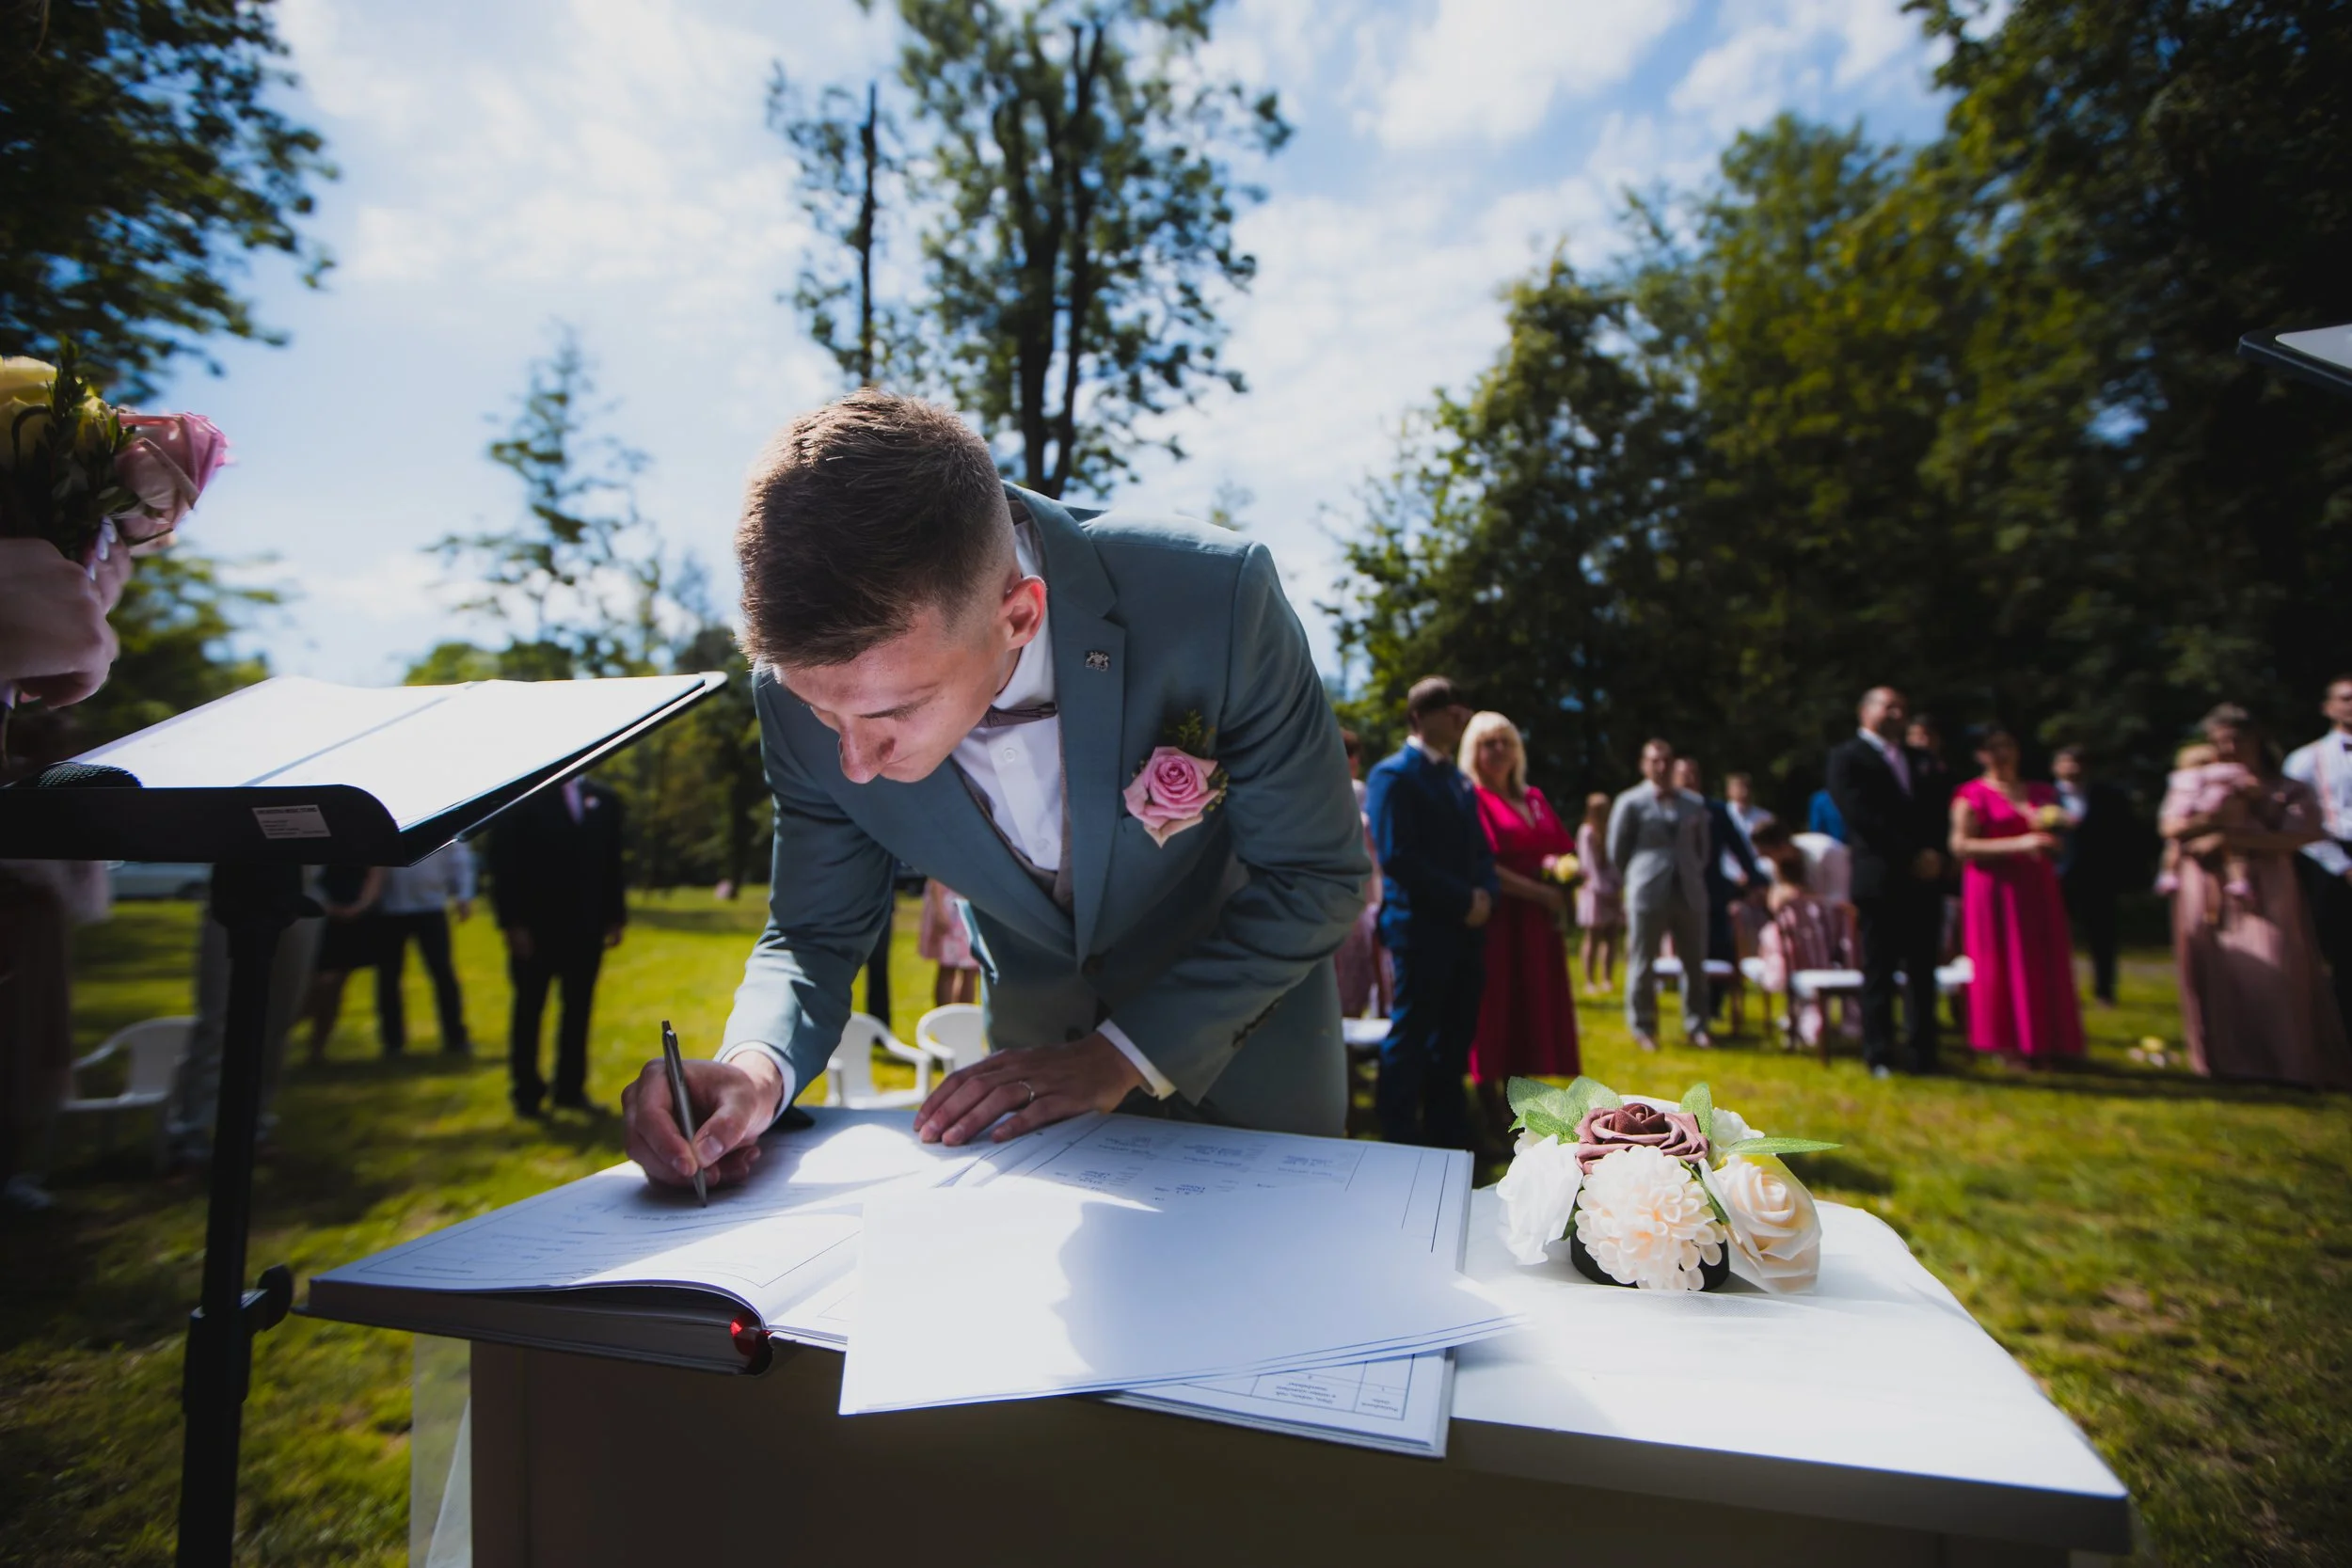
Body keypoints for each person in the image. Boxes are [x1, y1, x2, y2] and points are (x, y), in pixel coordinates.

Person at [618, 391, 1366, 1189]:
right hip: (1031, 1120)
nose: (856, 764)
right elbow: (814, 933)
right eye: (818, 709)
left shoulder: (1214, 602)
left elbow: (1316, 877)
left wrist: (1116, 1056)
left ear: (1019, 615)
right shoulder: (791, 698)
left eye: (893, 710)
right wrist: (755, 1067)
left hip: (1253, 1092)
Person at [2162, 704, 2351, 1088]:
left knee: (2274, 964)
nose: (2228, 747)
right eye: (2219, 740)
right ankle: (2226, 1062)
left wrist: (2233, 837)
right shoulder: (2197, 782)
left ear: (2257, 739)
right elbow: (2172, 825)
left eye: (2236, 738)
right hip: (2205, 884)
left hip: (2269, 884)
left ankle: (2288, 1063)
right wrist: (2211, 821)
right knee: (2217, 970)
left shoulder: (2285, 786)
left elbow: (2301, 835)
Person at [1365, 679, 1496, 1149]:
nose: (1462, 719)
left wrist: (1486, 894)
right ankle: (1399, 1133)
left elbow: (1480, 851)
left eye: (1464, 710)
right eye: (1451, 710)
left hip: (1466, 931)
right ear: (1419, 716)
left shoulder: (1460, 780)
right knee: (1414, 1031)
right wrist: (1464, 901)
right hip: (1420, 926)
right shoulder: (1393, 775)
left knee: (1456, 1035)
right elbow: (1398, 855)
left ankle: (1449, 1133)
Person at [1458, 711, 1579, 1149]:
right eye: (1488, 743)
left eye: (1505, 742)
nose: (1498, 751)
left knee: (1530, 1008)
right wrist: (1538, 891)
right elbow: (1484, 862)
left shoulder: (1534, 798)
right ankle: (1488, 1103)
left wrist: (1559, 875)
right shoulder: (1473, 798)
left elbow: (1559, 848)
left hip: (1536, 927)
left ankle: (1520, 1103)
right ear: (1473, 751)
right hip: (1498, 921)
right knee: (1496, 1008)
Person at [1826, 687, 1949, 1077]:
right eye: (1889, 705)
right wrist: (1912, 853)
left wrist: (1935, 854)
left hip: (1925, 879)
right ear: (1865, 712)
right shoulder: (1848, 758)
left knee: (1923, 970)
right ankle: (1880, 1052)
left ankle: (1924, 1052)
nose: (1898, 712)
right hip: (1881, 877)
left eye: (1903, 707)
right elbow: (1862, 815)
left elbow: (1939, 811)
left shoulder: (1922, 760)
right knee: (1879, 969)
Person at [490, 774, 627, 1117]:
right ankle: (526, 1091)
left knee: (578, 1009)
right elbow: (503, 863)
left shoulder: (603, 798)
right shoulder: (521, 796)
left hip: (586, 926)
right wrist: (512, 923)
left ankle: (570, 1088)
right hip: (535, 928)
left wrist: (615, 915)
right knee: (529, 1008)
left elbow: (611, 859)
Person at [1948, 727, 2085, 1065]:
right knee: (2001, 960)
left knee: (2043, 957)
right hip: (1994, 886)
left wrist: (2054, 838)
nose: (2002, 754)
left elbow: (2057, 839)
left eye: (2007, 745)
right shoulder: (1972, 795)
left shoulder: (2041, 791)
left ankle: (2053, 1039)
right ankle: (2006, 1042)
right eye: (1992, 748)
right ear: (1980, 755)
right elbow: (1960, 845)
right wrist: (2018, 844)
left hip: (2037, 885)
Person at [1610, 738, 1712, 1052]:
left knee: (1695, 963)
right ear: (1644, 764)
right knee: (1642, 960)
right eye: (1654, 760)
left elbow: (1703, 849)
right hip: (1647, 890)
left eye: (1666, 759)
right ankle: (1643, 1027)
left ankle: (1697, 1026)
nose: (1661, 766)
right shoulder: (1630, 802)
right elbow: (1617, 850)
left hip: (1689, 890)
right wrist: (1640, 876)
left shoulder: (1693, 803)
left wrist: (1691, 869)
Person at [2282, 676, 2352, 1037]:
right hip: (2325, 858)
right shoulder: (2307, 759)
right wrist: (2341, 864)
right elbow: (2294, 820)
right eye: (2346, 698)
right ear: (2328, 707)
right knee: (2331, 947)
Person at [1672, 755, 1762, 1016]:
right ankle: (1689, 1003)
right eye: (1683, 773)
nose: (1688, 778)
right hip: (1677, 889)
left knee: (1720, 947)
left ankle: (1714, 1005)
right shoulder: (1668, 808)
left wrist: (1756, 879)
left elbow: (1738, 846)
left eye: (1693, 773)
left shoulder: (1715, 810)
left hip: (1712, 888)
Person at [374, 840, 476, 1055]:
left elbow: (459, 858)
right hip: (391, 908)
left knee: (442, 972)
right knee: (389, 976)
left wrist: (464, 895)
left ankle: (455, 1036)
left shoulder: (439, 822)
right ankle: (392, 1041)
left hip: (431, 907)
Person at [2052, 746, 2134, 1007]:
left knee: (2102, 936)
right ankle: (2059, 990)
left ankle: (2104, 991)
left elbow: (2123, 835)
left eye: (2077, 762)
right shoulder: (2044, 796)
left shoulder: (2108, 796)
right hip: (2056, 875)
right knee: (2055, 936)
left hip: (2098, 876)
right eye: (2066, 762)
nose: (2072, 768)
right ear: (2056, 767)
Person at [1332, 729, 1391, 1019]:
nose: (1350, 761)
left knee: (1362, 979)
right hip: (1330, 902)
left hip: (1366, 902)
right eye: (1343, 754)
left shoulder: (1362, 793)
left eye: (1353, 755)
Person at [302, 864, 385, 1062]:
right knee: (318, 985)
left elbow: (376, 872)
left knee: (335, 986)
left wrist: (361, 905)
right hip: (318, 914)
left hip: (352, 916)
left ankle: (317, 1048)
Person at [1575, 791, 1623, 996]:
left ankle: (1607, 978)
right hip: (1594, 892)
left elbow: (1616, 861)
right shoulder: (1586, 832)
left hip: (1612, 889)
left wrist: (1617, 885)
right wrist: (1604, 889)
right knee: (1592, 937)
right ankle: (1589, 980)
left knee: (1611, 937)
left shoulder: (1612, 831)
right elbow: (1588, 866)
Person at [919, 879, 979, 1007]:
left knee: (971, 970)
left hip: (972, 903)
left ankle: (963, 1020)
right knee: (947, 967)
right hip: (949, 905)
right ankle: (944, 1019)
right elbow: (934, 874)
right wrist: (939, 909)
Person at [1724, 772, 1773, 849]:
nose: (1745, 792)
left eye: (1747, 787)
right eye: (1739, 787)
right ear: (1729, 791)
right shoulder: (1722, 815)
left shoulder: (1765, 817)